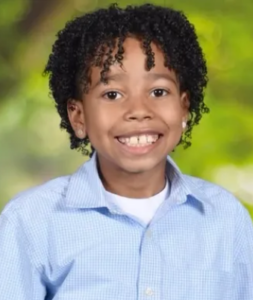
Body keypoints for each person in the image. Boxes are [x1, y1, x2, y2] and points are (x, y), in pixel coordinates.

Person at [0, 3, 252, 300]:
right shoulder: (31, 221)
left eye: (158, 92)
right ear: (78, 116)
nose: (138, 111)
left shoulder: (226, 217)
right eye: (112, 94)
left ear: (184, 107)